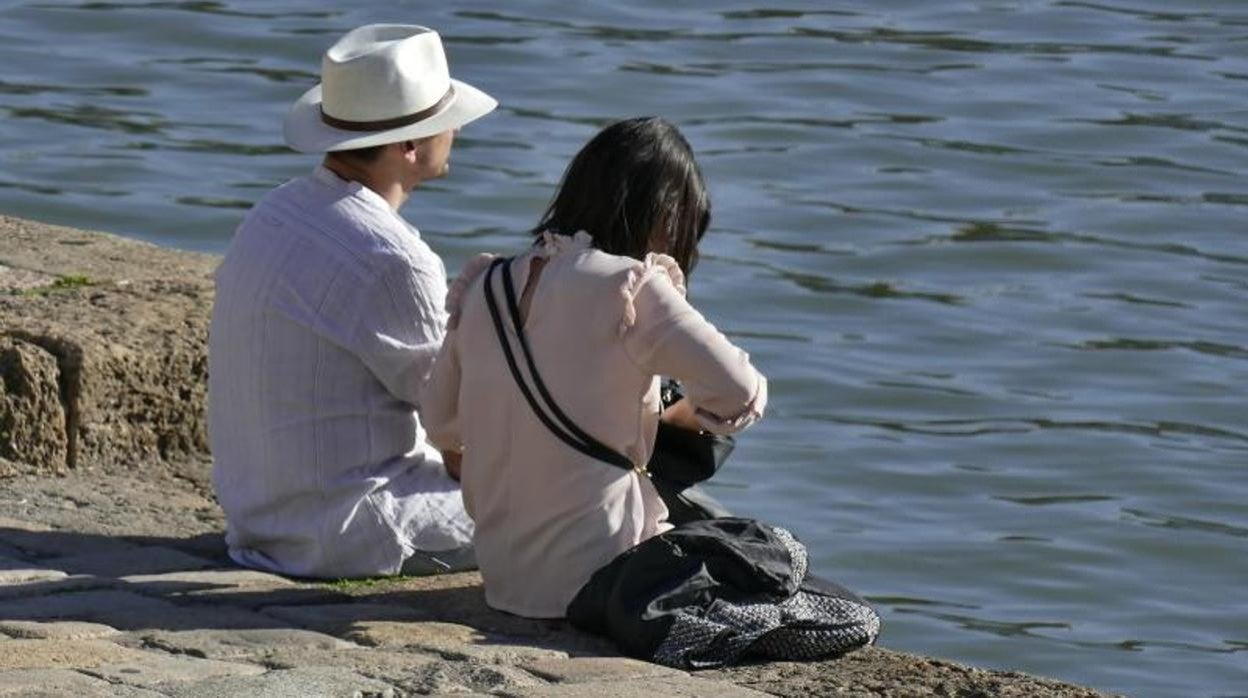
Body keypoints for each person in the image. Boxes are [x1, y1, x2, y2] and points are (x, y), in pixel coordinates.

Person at [422, 117, 879, 667]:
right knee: (829, 596)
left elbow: (441, 423)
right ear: (665, 216)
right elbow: (744, 392)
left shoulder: (484, 284)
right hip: (602, 581)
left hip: (505, 578)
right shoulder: (628, 287)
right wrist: (681, 418)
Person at [208, 24, 497, 579]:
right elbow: (454, 419)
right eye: (445, 120)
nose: (456, 129)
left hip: (259, 515)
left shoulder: (276, 211)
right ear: (409, 146)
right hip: (348, 527)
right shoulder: (392, 257)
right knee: (573, 513)